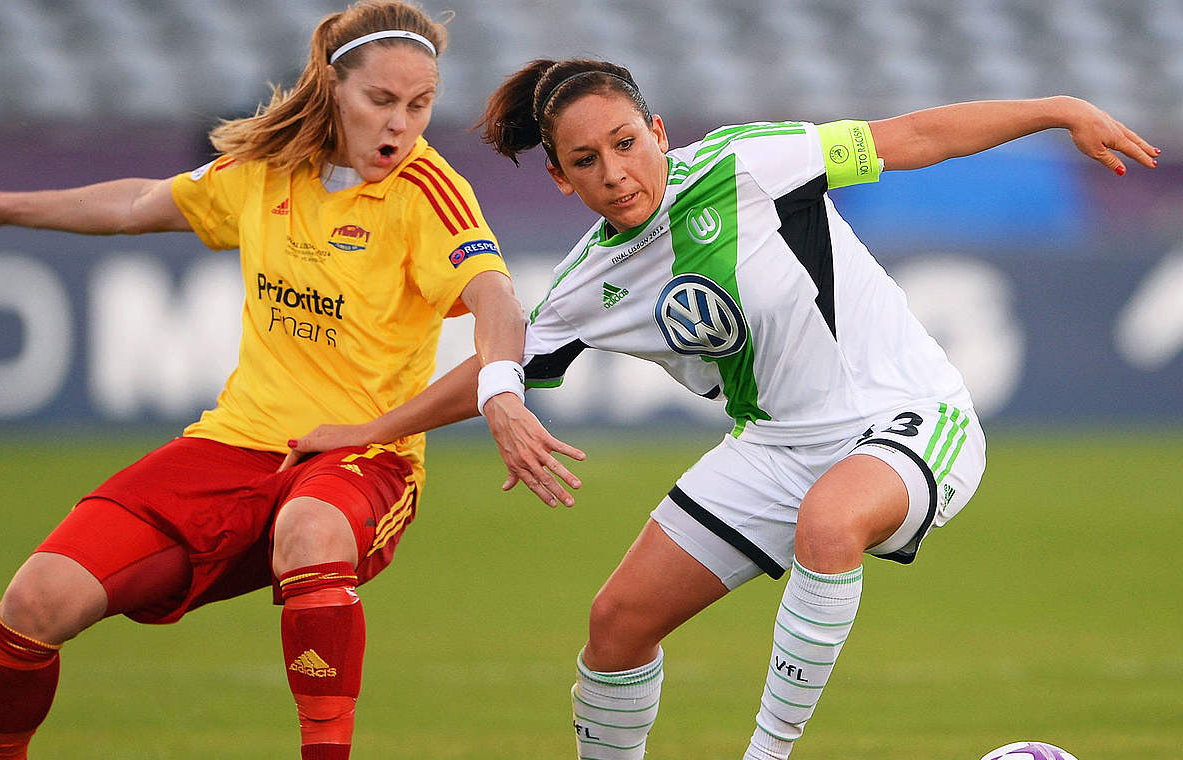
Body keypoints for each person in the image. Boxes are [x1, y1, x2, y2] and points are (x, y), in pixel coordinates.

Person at [285, 58, 1160, 759]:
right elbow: (498, 361)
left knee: (830, 524)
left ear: (658, 131)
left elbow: (915, 135)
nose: (616, 173)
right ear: (559, 179)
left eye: (627, 143)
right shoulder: (592, 280)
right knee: (616, 626)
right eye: (586, 162)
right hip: (777, 446)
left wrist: (1057, 107)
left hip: (908, 412)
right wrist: (370, 430)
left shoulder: (754, 163)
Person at [0, 4, 579, 758]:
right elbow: (136, 204)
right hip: (235, 446)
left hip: (363, 458)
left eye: (419, 105)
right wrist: (0, 209)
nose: (401, 125)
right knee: (34, 602)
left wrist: (501, 393)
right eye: (381, 101)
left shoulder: (426, 191)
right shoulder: (267, 170)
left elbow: (496, 296)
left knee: (311, 528)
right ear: (330, 86)